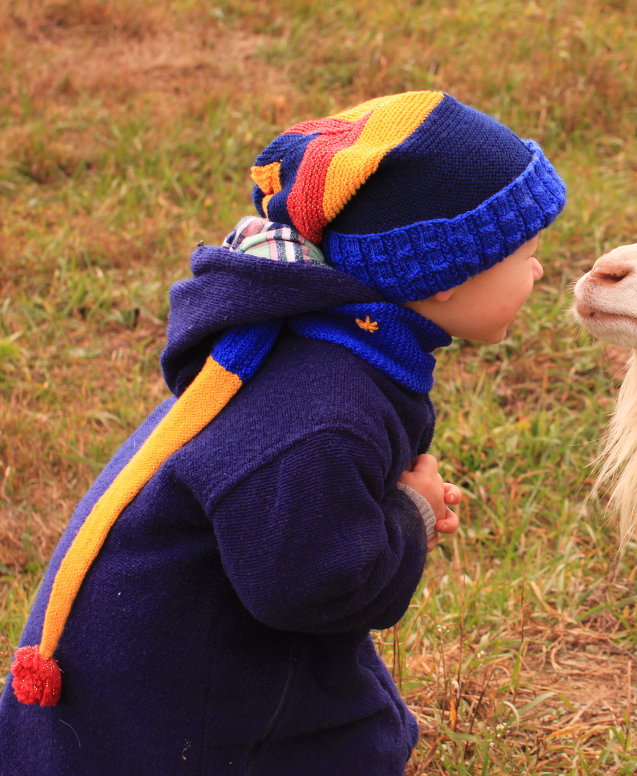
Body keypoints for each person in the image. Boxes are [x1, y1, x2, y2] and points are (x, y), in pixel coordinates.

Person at [0, 91, 567, 775]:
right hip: (164, 718)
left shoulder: (330, 350)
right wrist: (408, 516)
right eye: (526, 251)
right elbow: (313, 588)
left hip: (185, 659)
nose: (538, 270)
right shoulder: (320, 415)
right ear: (442, 273)